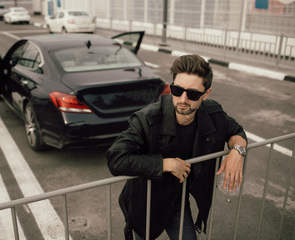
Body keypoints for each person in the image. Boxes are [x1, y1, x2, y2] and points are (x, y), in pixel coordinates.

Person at [106, 54, 247, 240]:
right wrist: (167, 164)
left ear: (206, 94)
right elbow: (116, 159)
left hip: (177, 202)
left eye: (193, 94)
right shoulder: (147, 119)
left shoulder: (213, 114)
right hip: (144, 203)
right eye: (177, 90)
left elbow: (236, 131)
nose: (183, 99)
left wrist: (238, 151)